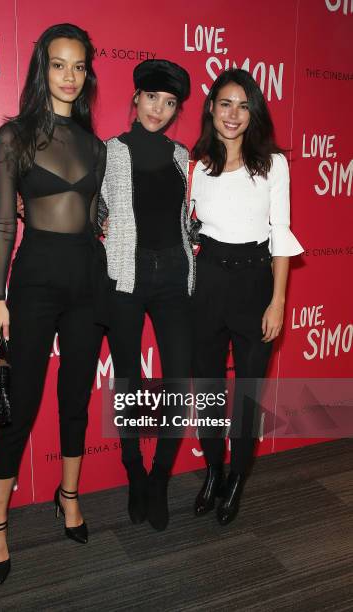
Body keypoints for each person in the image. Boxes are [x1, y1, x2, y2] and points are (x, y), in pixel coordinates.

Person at [0, 23, 107, 584]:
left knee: (76, 396)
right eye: (59, 64)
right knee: (22, 406)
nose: (70, 75)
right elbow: (4, 224)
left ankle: (69, 496)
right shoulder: (13, 137)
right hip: (32, 283)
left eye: (79, 66)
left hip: (89, 281)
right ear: (43, 69)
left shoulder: (96, 145)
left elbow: (99, 218)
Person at [190, 68, 303, 525]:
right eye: (225, 104)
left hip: (256, 284)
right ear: (211, 109)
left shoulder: (274, 164)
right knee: (210, 391)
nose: (233, 114)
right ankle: (214, 471)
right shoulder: (196, 165)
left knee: (247, 396)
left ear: (253, 111)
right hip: (207, 283)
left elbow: (280, 234)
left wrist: (277, 302)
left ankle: (237, 477)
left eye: (243, 105)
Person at [99, 59, 194, 532]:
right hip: (126, 279)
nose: (159, 108)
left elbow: (188, 216)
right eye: (152, 97)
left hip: (175, 275)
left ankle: (159, 478)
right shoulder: (109, 151)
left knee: (180, 380)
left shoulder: (183, 156)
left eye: (170, 102)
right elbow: (90, 206)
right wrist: (100, 223)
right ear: (136, 98)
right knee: (130, 381)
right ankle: (134, 470)